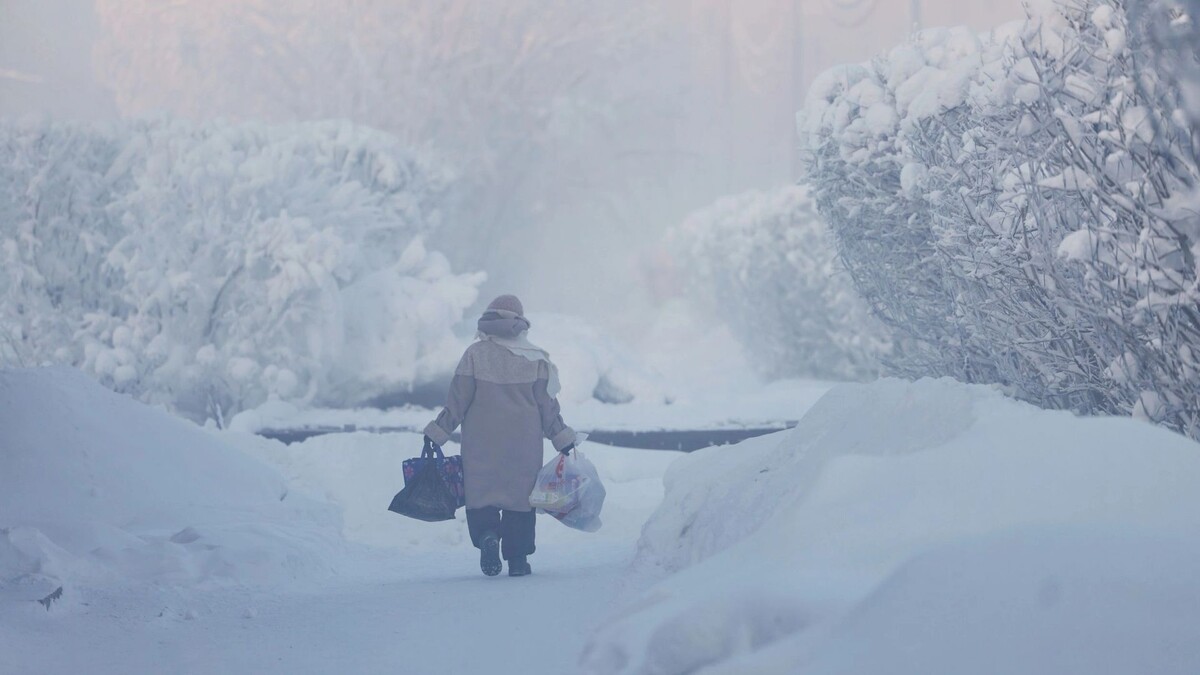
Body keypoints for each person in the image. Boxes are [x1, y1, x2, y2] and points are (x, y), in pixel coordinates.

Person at [424, 295, 576, 577]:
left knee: (481, 496)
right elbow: (548, 408)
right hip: (523, 447)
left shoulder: (474, 354)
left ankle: (487, 536)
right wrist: (562, 438)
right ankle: (518, 560)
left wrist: (438, 432)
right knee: (521, 501)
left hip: (481, 445)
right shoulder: (535, 359)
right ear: (519, 321)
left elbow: (457, 401)